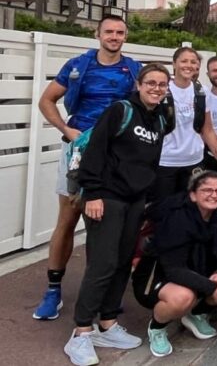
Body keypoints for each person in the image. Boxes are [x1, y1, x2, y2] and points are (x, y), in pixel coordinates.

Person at [34, 15, 142, 322]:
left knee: (108, 228)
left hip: (116, 156)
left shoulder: (134, 69)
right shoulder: (78, 65)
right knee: (67, 219)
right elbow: (46, 101)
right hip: (79, 150)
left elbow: (148, 102)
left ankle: (102, 295)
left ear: (125, 36)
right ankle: (53, 291)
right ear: (98, 34)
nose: (114, 36)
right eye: (109, 31)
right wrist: (67, 131)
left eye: (120, 32)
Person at [62, 64, 171, 366]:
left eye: (162, 85)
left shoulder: (160, 118)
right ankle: (82, 330)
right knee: (103, 262)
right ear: (138, 84)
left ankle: (107, 322)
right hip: (106, 197)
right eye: (151, 83)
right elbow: (95, 151)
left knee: (123, 261)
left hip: (135, 200)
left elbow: (150, 162)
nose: (156, 89)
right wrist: (93, 193)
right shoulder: (119, 111)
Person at [131, 172, 217, 357]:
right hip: (157, 278)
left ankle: (196, 314)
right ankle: (157, 327)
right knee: (183, 297)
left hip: (195, 271)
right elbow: (174, 270)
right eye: (207, 190)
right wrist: (212, 286)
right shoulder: (178, 219)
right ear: (192, 195)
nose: (214, 195)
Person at [156, 47, 217, 202]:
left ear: (197, 67)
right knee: (164, 209)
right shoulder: (162, 89)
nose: (188, 65)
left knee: (191, 208)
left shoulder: (202, 92)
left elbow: (207, 130)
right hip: (165, 161)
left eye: (193, 62)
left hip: (193, 162)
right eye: (184, 61)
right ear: (174, 64)